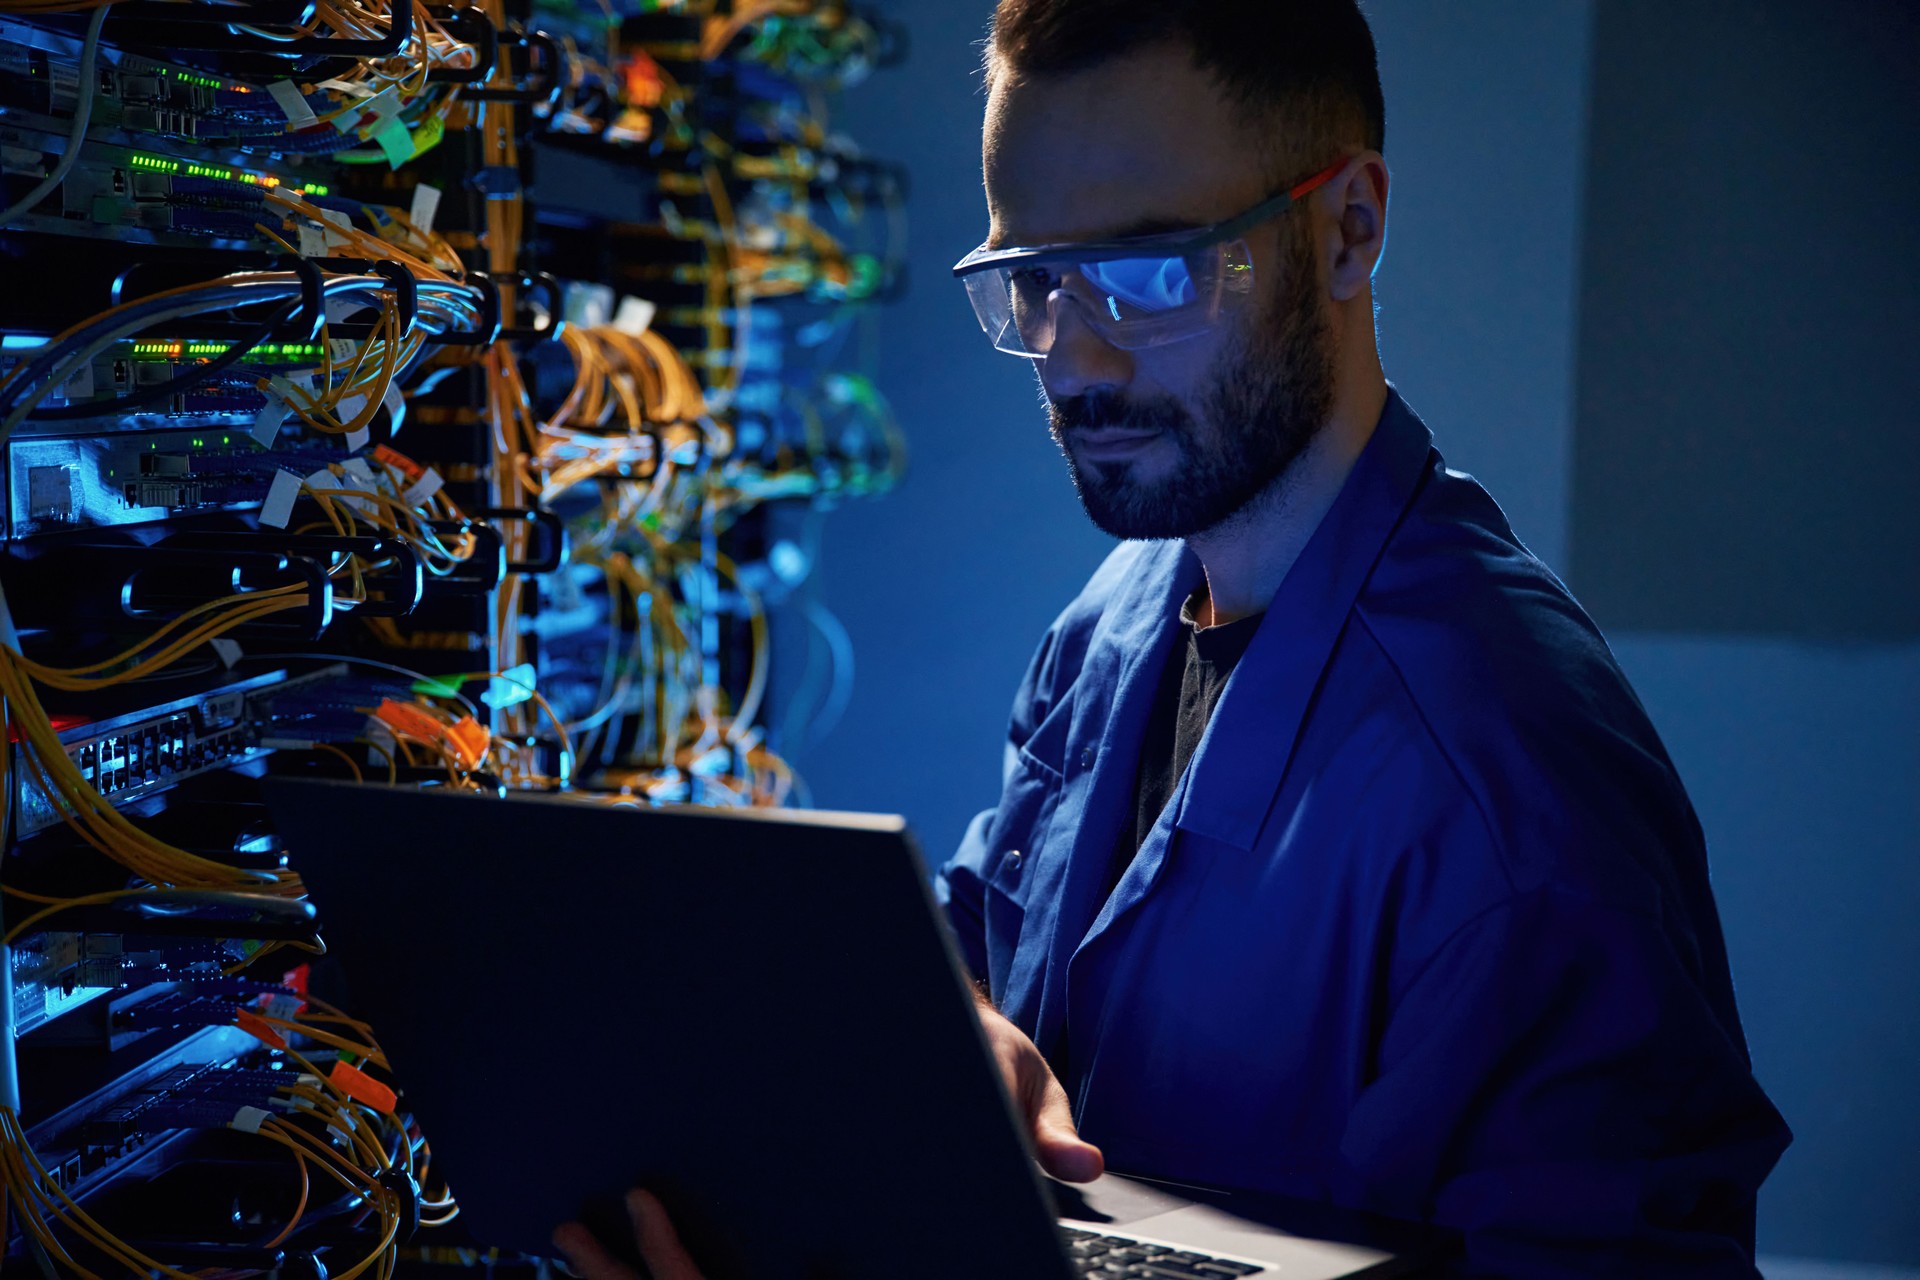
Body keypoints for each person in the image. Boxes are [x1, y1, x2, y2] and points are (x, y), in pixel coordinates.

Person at [556, 1, 1792, 1275]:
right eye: (1032, 279)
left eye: (1151, 270)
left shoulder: (1514, 792)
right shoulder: (1117, 618)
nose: (1075, 358)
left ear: (1348, 230)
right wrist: (956, 1024)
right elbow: (977, 937)